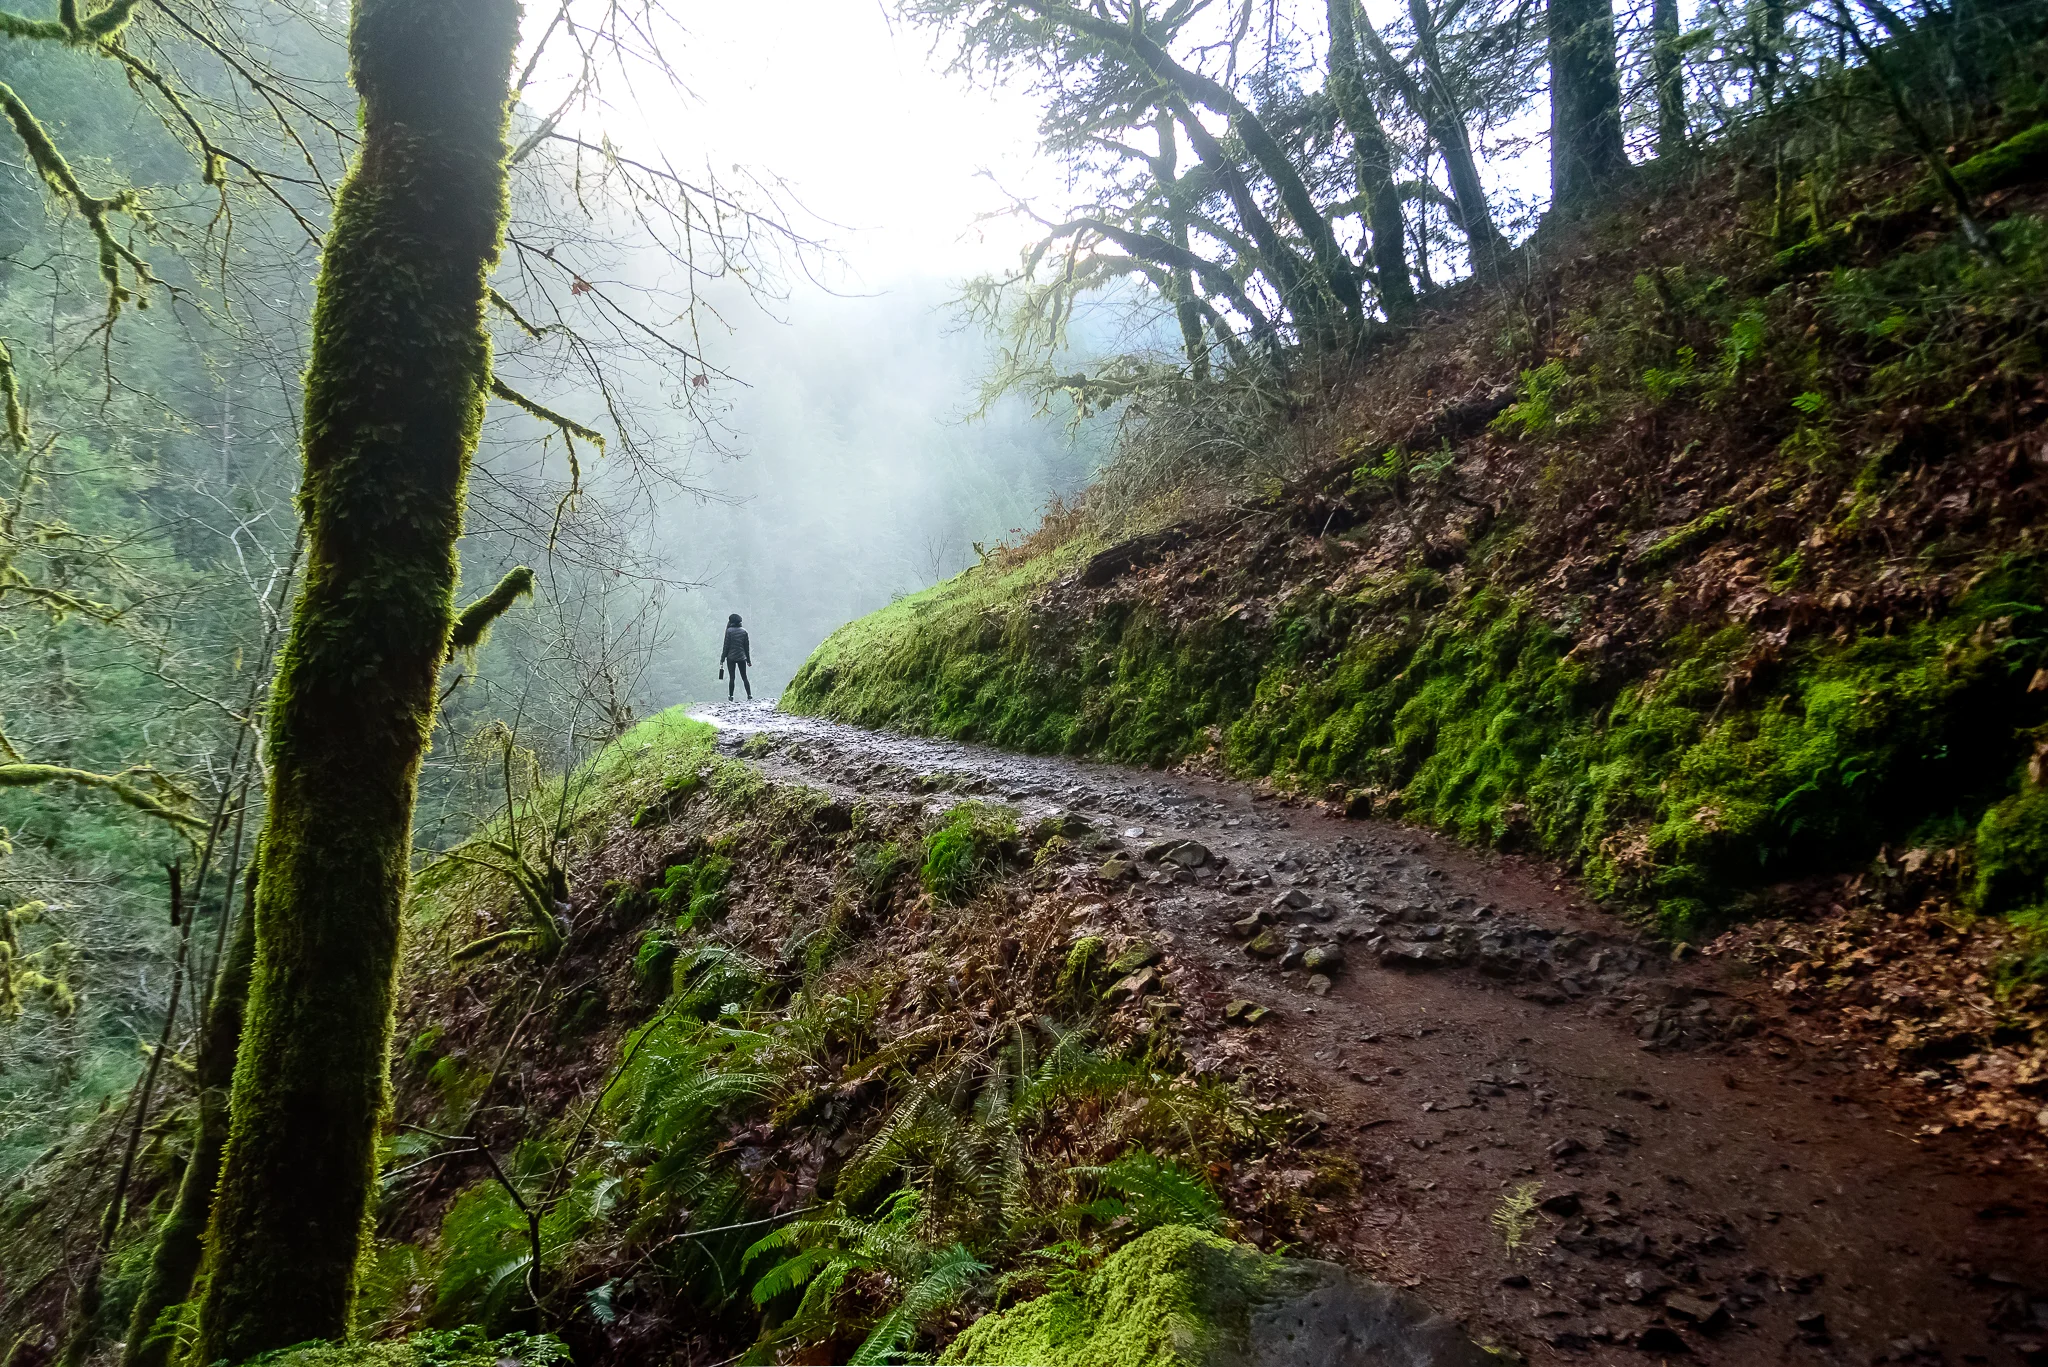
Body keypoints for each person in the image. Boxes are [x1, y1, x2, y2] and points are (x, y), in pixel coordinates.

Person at [719, 612, 752, 700]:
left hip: (731, 658)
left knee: (732, 678)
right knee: (744, 677)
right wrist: (748, 660)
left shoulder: (729, 631)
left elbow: (726, 646)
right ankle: (749, 695)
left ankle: (731, 696)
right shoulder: (744, 632)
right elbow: (746, 648)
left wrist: (722, 658)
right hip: (742, 657)